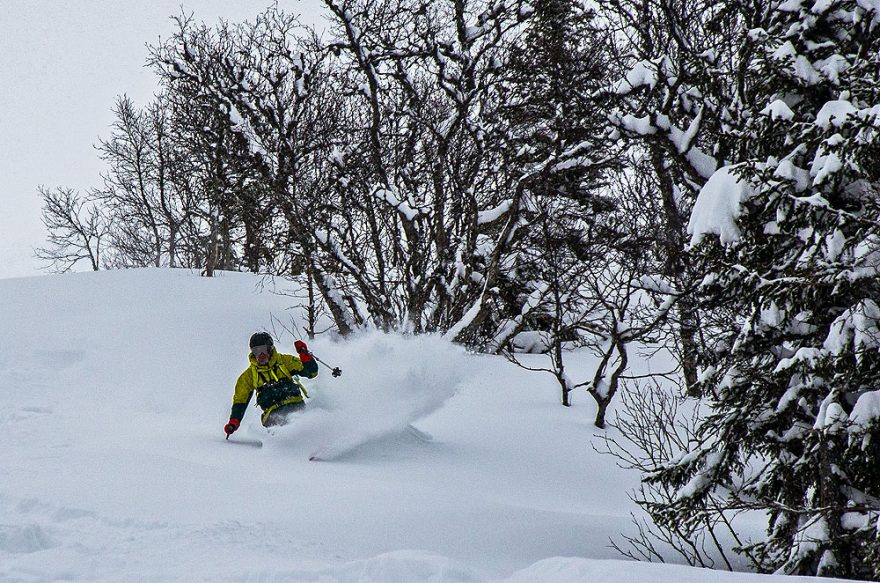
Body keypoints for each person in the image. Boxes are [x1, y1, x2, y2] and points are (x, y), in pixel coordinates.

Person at [224, 332, 319, 436]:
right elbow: (240, 401)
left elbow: (311, 373)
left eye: (263, 350)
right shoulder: (248, 376)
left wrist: (305, 356)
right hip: (273, 416)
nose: (261, 355)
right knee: (285, 431)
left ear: (270, 349)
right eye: (256, 351)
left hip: (296, 408)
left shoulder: (285, 361)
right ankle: (281, 445)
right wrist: (234, 422)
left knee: (307, 429)